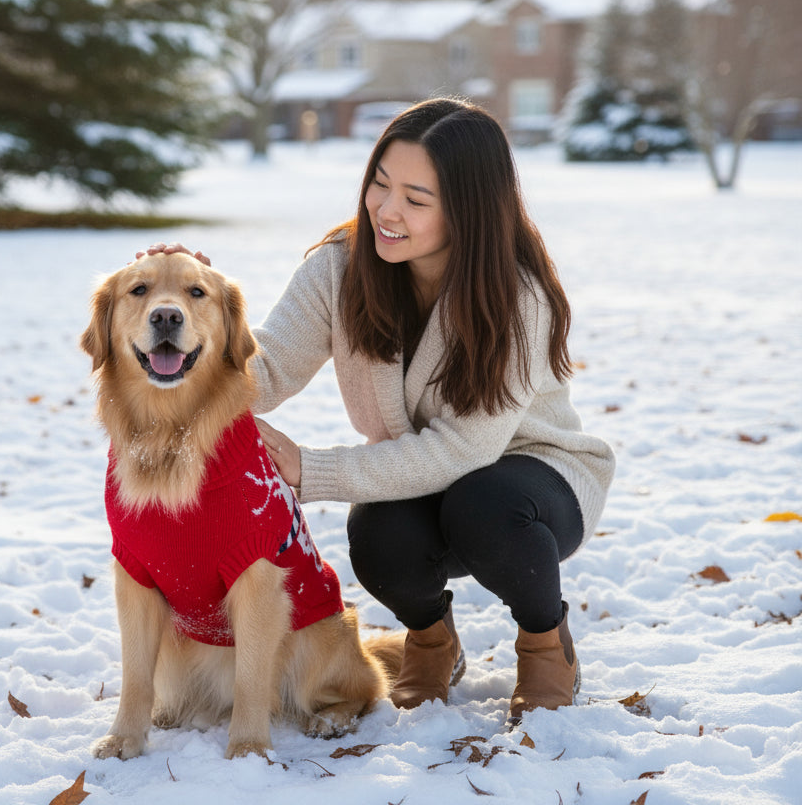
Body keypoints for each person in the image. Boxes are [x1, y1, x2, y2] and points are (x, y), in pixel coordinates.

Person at [147, 98, 615, 725]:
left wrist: (312, 469)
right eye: (380, 184)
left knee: (484, 505)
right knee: (378, 536)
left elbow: (464, 451)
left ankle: (544, 643)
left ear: (470, 212)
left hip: (533, 481)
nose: (386, 211)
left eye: (416, 200)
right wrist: (191, 314)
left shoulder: (516, 297)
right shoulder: (340, 267)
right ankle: (431, 638)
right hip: (418, 475)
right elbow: (269, 367)